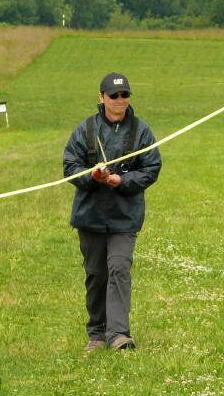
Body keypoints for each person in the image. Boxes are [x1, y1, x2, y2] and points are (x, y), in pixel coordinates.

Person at [63, 72, 162, 352]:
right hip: (90, 216)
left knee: (119, 268)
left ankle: (119, 334)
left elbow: (151, 168)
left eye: (124, 95)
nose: (120, 100)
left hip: (124, 216)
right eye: (114, 95)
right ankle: (96, 333)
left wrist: (123, 181)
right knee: (96, 274)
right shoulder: (85, 130)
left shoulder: (142, 131)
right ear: (101, 98)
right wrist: (91, 177)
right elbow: (70, 166)